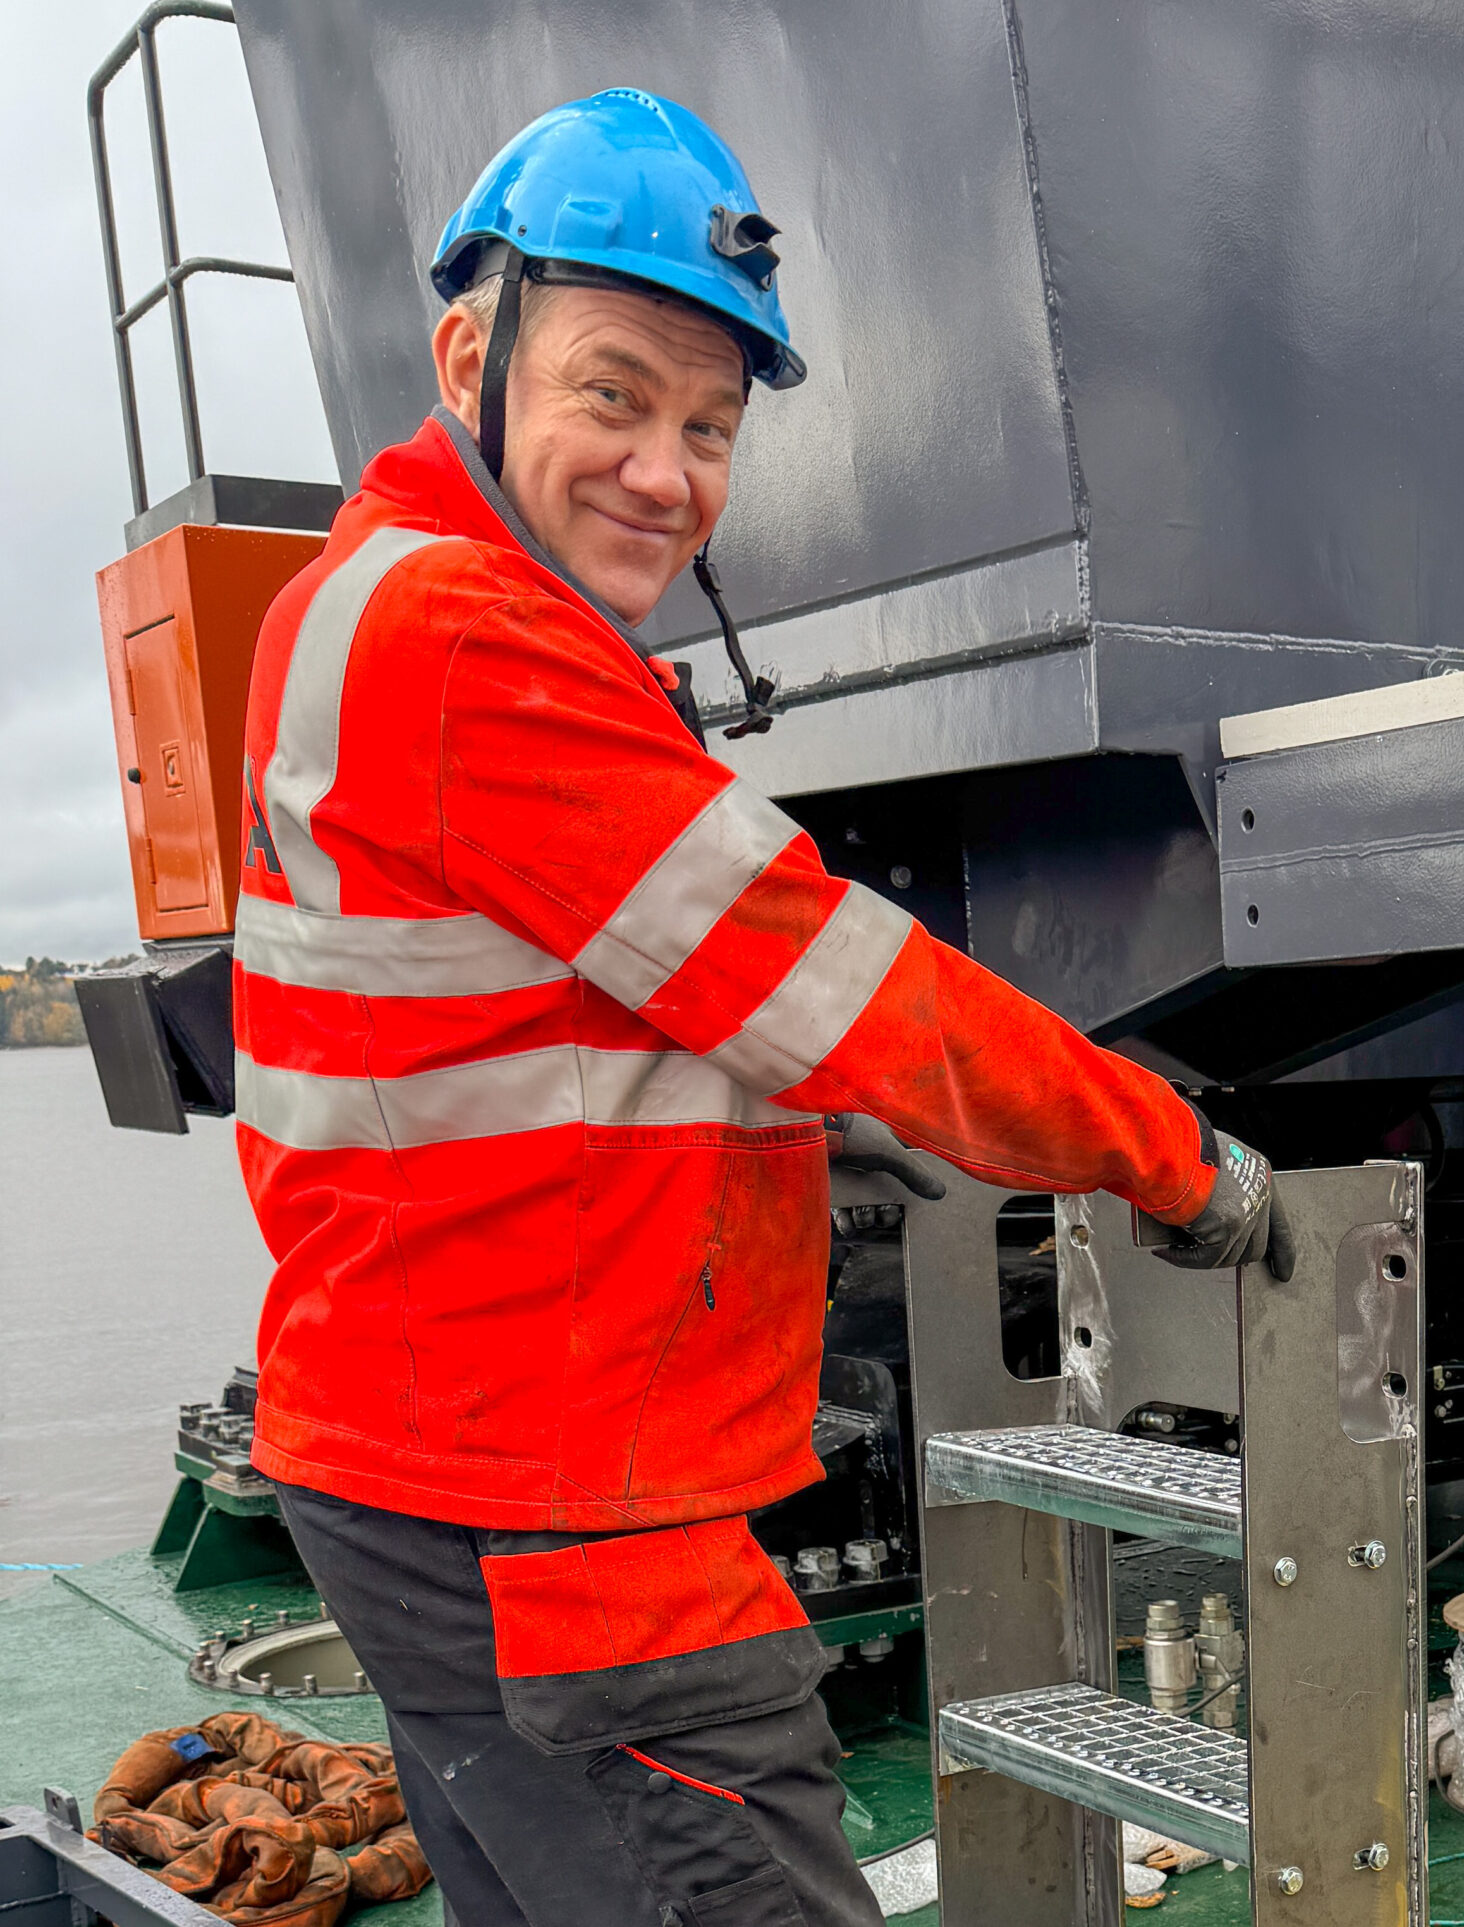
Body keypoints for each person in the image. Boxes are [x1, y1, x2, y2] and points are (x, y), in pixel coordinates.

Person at [231, 91, 1291, 1927]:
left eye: (710, 426)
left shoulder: (365, 599)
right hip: (556, 1507)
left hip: (414, 1454)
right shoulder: (480, 641)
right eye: (614, 394)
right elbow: (861, 995)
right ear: (469, 358)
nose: (668, 470)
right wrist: (1183, 1161)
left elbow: (562, 1006)